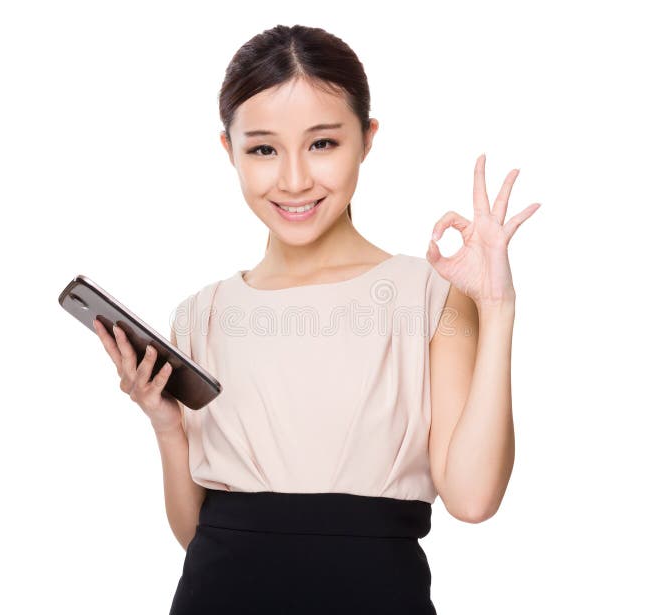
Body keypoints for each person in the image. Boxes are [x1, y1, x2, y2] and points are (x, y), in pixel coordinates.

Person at [92, 23, 540, 615]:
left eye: (322, 143)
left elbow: (474, 498)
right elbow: (194, 536)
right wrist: (167, 426)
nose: (295, 179)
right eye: (263, 149)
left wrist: (498, 309)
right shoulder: (201, 316)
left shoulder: (430, 294)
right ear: (230, 151)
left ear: (367, 138)